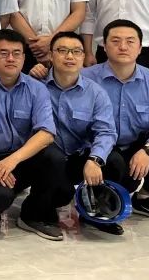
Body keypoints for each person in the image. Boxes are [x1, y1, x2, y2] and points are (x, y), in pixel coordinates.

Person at [82, 20, 149, 222]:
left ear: (140, 48)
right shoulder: (85, 78)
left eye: (130, 41)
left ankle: (147, 198)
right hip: (98, 149)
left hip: (135, 145)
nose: (123, 47)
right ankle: (97, 201)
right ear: (104, 46)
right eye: (115, 41)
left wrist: (148, 150)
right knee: (117, 171)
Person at [0, 30, 62, 240]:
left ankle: (32, 214)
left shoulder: (36, 89)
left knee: (54, 157)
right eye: (3, 53)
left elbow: (46, 133)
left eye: (16, 53)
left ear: (24, 57)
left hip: (22, 157)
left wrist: (13, 160)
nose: (11, 58)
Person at [38, 32, 123, 235]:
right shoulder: (36, 86)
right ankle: (37, 212)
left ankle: (95, 211)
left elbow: (106, 131)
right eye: (62, 50)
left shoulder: (95, 92)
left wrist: (95, 159)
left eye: (76, 51)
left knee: (114, 161)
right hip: (47, 159)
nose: (70, 56)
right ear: (51, 55)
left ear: (83, 57)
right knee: (55, 168)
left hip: (79, 157)